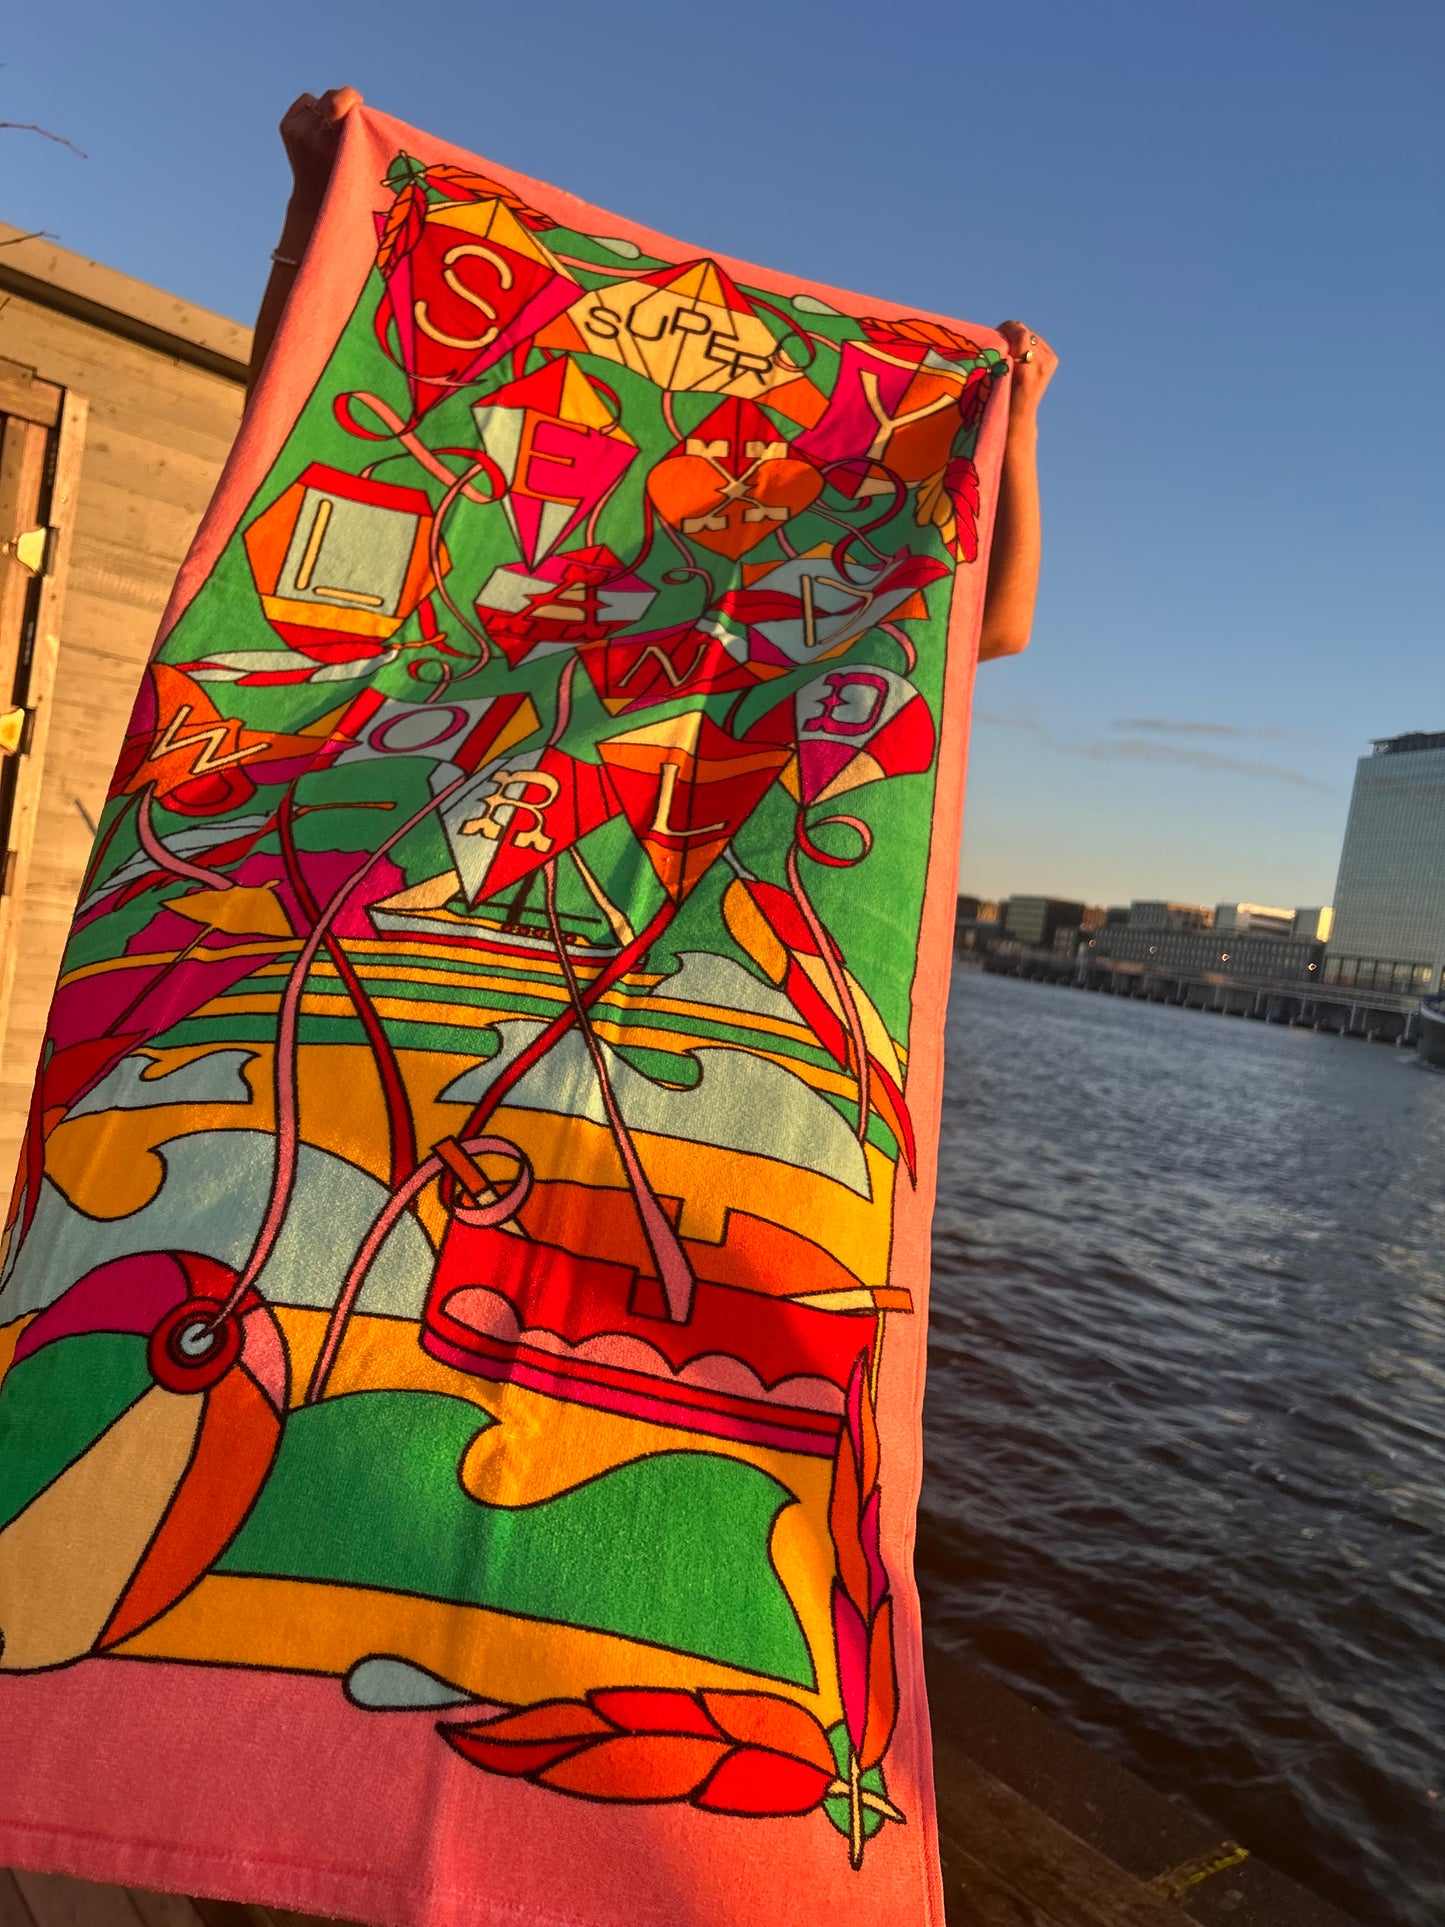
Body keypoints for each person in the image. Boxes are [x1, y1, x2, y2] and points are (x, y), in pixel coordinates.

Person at [249, 89, 1057, 662]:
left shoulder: (736, 624)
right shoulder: (455, 561)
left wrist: (1016, 429)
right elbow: (290, 440)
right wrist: (315, 212)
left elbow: (992, 628)